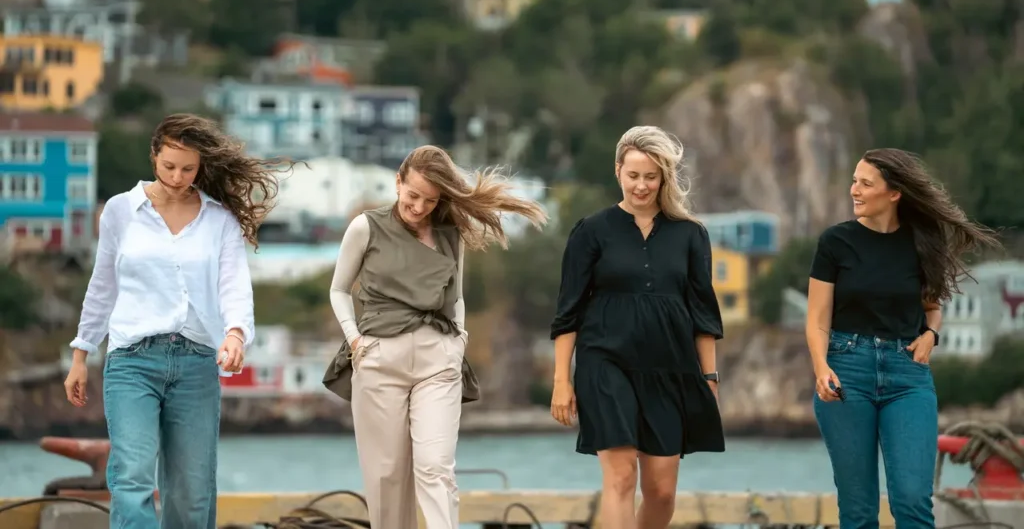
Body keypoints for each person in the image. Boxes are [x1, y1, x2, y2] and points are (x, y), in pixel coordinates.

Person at [63, 113, 286, 529]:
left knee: (192, 488)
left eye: (188, 168)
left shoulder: (220, 219)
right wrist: (82, 351)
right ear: (153, 156)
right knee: (132, 477)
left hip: (197, 363)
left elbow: (234, 285)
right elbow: (103, 284)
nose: (178, 176)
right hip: (132, 361)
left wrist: (236, 334)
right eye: (169, 166)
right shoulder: (120, 211)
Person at [321, 145, 547, 529]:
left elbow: (455, 296)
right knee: (386, 478)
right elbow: (338, 290)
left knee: (436, 467)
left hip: (438, 359)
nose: (419, 206)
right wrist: (356, 341)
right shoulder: (365, 226)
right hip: (378, 359)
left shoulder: (449, 233)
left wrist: (458, 339)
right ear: (398, 182)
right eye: (412, 195)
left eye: (430, 200)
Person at [806, 148, 999, 529]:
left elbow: (932, 305)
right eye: (854, 181)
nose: (854, 190)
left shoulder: (922, 243)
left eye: (865, 183)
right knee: (858, 510)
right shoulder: (835, 242)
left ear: (894, 193)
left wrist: (931, 334)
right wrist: (821, 368)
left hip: (907, 375)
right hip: (846, 372)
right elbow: (816, 320)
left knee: (912, 501)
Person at [549, 125, 726, 529]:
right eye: (633, 175)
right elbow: (568, 312)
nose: (641, 186)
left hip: (670, 369)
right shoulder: (591, 231)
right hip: (605, 364)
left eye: (651, 176)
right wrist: (562, 379)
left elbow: (703, 314)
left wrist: (710, 379)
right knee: (621, 477)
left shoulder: (690, 234)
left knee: (661, 494)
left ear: (664, 177)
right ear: (617, 172)